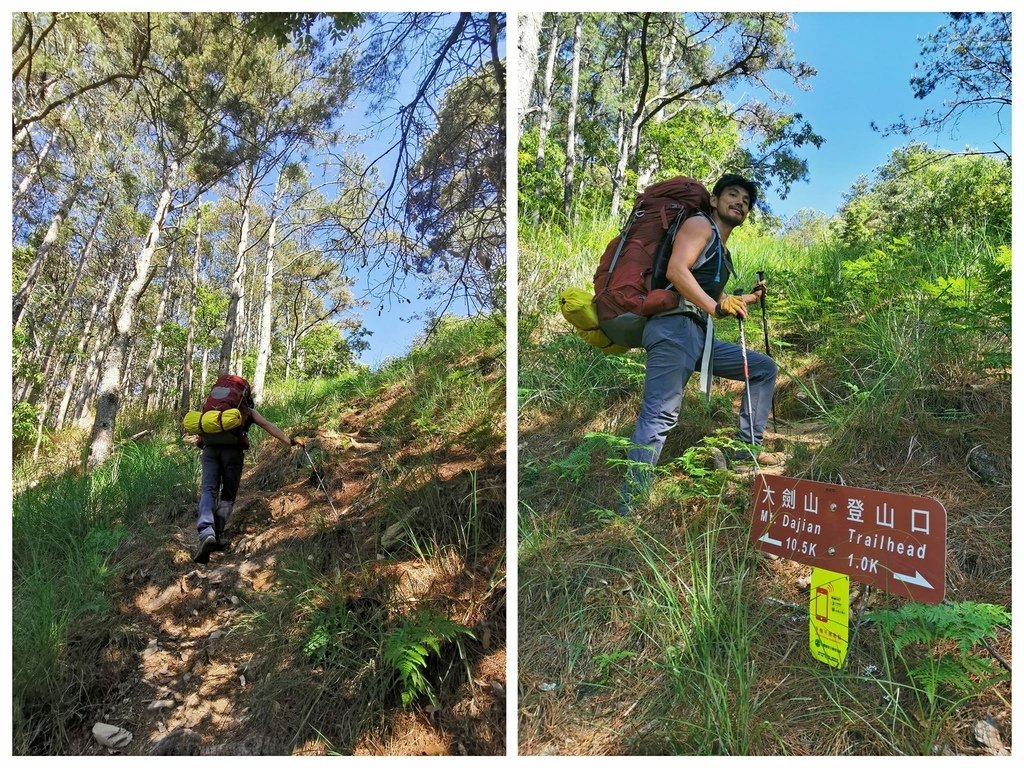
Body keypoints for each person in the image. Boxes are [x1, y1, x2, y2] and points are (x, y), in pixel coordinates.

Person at [619, 173, 780, 516]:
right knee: (660, 414)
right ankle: (629, 508)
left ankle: (745, 451)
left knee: (763, 369)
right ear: (714, 200)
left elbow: (714, 294)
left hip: (697, 336)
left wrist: (748, 297)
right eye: (732, 195)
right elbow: (678, 271)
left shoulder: (722, 251)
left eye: (746, 201)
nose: (740, 202)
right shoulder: (699, 225)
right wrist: (715, 307)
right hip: (674, 328)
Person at [193, 384, 301, 563]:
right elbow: (267, 424)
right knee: (227, 496)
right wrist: (288, 441)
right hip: (233, 453)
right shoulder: (246, 411)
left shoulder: (213, 408)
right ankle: (216, 534)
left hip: (210, 450)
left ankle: (206, 533)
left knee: (208, 490)